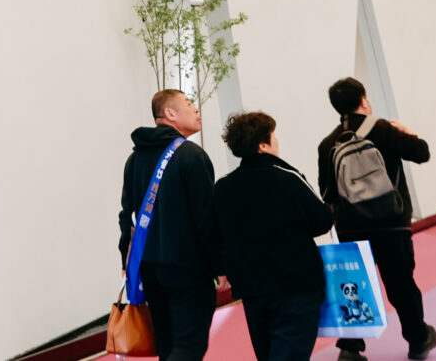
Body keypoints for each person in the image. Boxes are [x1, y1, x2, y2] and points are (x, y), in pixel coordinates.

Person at [317, 78, 436, 361]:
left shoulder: (328, 144)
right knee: (401, 284)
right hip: (391, 223)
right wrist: (408, 132)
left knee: (353, 286)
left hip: (350, 227)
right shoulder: (384, 129)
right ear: (364, 100)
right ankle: (418, 340)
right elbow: (422, 153)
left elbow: (326, 192)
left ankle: (350, 348)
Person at [213, 111, 333, 361]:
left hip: (252, 289)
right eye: (273, 136)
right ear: (263, 145)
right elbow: (322, 220)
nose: (277, 140)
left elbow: (215, 235)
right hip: (296, 283)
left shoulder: (223, 187)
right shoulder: (287, 177)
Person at [117, 89, 220, 361]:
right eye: (189, 103)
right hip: (188, 269)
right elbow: (206, 218)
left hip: (150, 270)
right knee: (188, 346)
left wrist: (127, 259)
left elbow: (127, 215)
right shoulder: (191, 155)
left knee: (167, 346)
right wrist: (220, 266)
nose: (196, 109)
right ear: (170, 113)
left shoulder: (134, 159)